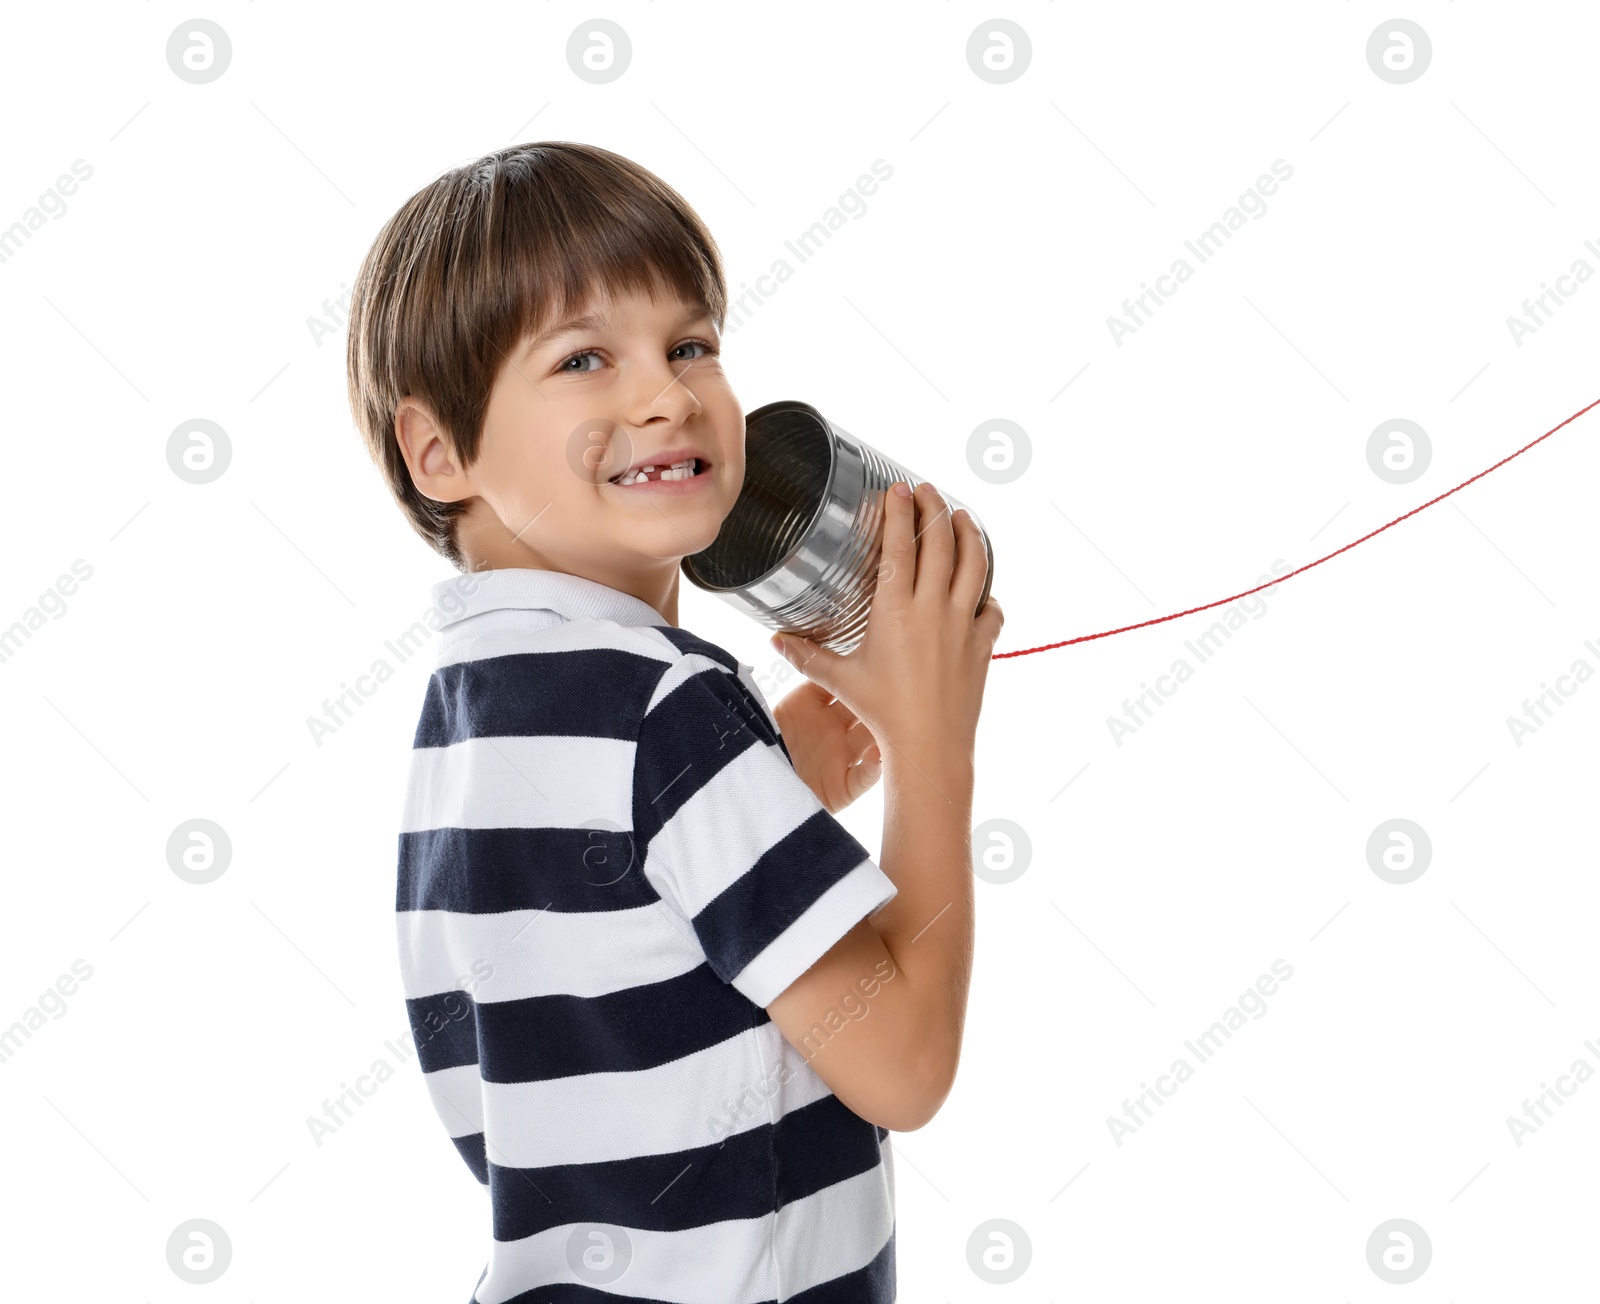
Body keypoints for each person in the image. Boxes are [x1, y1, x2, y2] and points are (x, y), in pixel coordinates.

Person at [346, 140, 1002, 1302]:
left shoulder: (485, 700)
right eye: (585, 357)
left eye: (691, 344)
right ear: (437, 448)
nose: (665, 394)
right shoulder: (665, 709)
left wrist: (774, 769)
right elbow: (901, 1062)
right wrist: (936, 745)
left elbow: (609, 901)